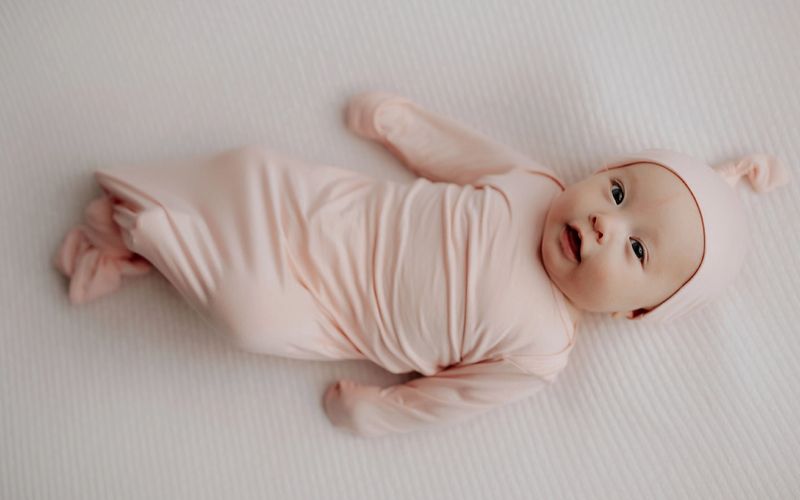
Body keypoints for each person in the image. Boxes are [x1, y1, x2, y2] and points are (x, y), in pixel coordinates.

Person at [53, 92, 790, 437]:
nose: (605, 218)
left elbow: (449, 399)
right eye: (620, 191)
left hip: (332, 312)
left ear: (633, 313)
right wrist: (400, 126)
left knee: (249, 315)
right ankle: (138, 208)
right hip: (336, 210)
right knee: (251, 168)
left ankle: (145, 236)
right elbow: (457, 152)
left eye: (635, 249)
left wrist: (377, 411)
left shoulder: (540, 351)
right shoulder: (535, 187)